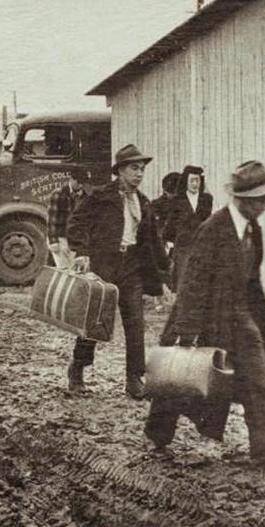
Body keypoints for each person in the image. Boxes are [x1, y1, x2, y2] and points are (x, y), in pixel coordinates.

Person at [147, 160, 265, 468]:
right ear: (242, 200)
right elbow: (192, 280)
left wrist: (257, 319)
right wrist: (187, 329)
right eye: (259, 199)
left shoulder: (253, 229)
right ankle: (158, 431)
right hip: (207, 315)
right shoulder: (213, 229)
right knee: (182, 376)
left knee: (258, 375)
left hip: (241, 316)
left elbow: (251, 279)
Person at [66, 144, 168, 398]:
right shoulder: (101, 196)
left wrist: (166, 274)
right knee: (95, 323)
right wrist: (82, 252)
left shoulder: (143, 203)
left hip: (131, 268)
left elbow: (153, 242)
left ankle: (134, 379)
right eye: (134, 168)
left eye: (142, 169)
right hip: (105, 268)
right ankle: (77, 370)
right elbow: (76, 222)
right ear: (120, 170)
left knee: (136, 324)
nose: (139, 174)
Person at [163, 165, 213, 291]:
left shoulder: (206, 199)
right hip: (183, 246)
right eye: (192, 180)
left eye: (197, 180)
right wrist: (169, 241)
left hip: (200, 245)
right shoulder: (177, 200)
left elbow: (208, 221)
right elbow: (171, 223)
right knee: (183, 279)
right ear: (186, 181)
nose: (195, 184)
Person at [47, 174, 84, 268]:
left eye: (83, 182)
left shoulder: (83, 195)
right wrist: (53, 241)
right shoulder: (58, 194)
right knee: (64, 269)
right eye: (78, 182)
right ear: (71, 179)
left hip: (74, 239)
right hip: (60, 238)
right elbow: (52, 219)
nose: (81, 185)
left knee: (75, 270)